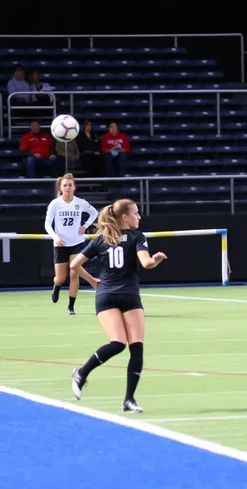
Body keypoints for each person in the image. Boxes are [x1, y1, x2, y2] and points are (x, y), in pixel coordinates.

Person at [69, 199, 167, 413]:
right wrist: (157, 259)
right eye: (136, 213)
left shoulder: (101, 239)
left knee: (118, 343)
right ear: (125, 216)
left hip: (106, 295)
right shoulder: (136, 237)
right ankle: (126, 398)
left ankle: (85, 375)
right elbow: (147, 263)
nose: (139, 217)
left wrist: (92, 280)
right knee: (135, 347)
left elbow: (74, 265)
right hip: (128, 295)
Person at [44, 173, 99, 315]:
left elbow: (94, 213)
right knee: (61, 278)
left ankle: (71, 306)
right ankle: (56, 286)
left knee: (74, 272)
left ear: (74, 187)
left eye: (70, 185)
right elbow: (47, 224)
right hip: (61, 244)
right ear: (61, 188)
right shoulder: (55, 204)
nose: (67, 188)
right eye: (65, 185)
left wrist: (85, 225)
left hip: (77, 241)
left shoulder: (80, 202)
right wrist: (55, 237)